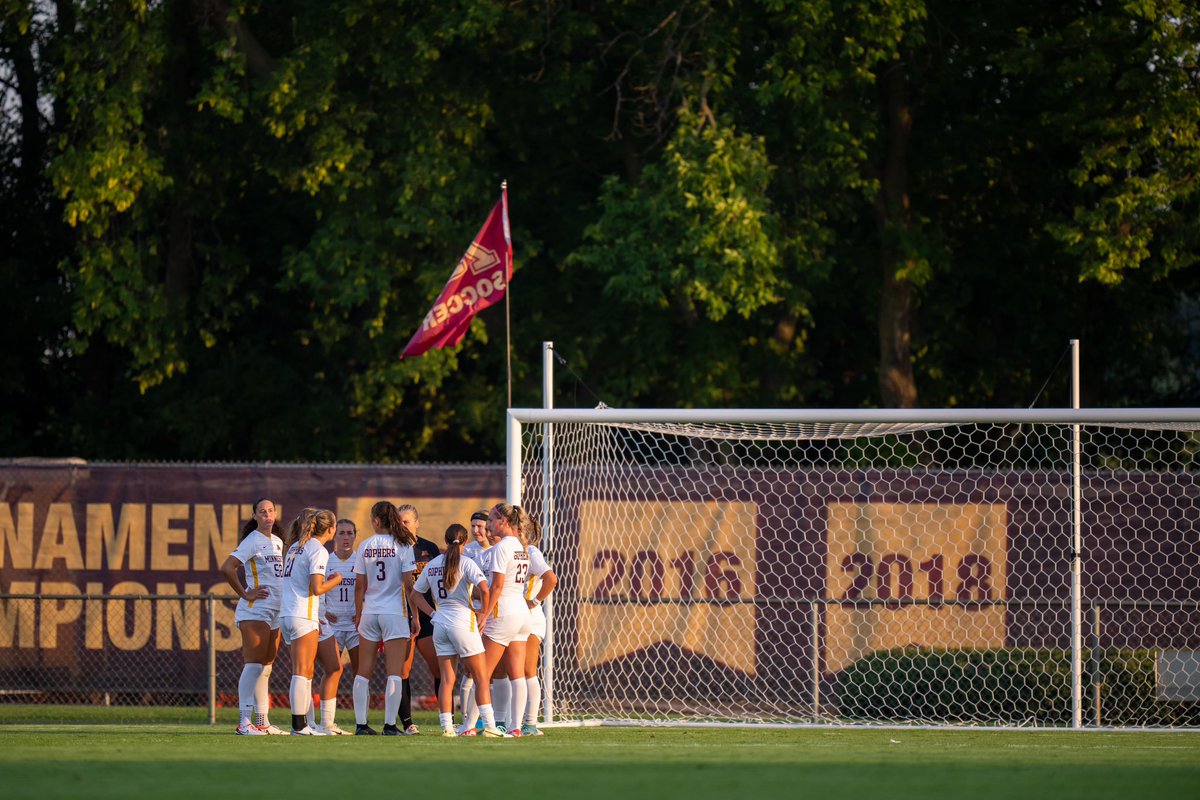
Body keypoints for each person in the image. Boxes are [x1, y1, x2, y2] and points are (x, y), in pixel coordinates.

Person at [410, 523, 494, 737]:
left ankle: (447, 727)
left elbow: (415, 595)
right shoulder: (466, 562)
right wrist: (484, 614)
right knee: (481, 677)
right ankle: (491, 727)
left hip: (440, 624)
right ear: (465, 541)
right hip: (463, 621)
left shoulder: (432, 564)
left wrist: (433, 614)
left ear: (446, 541)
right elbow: (485, 590)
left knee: (447, 679)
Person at [464, 502, 532, 737]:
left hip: (504, 612)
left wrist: (484, 614)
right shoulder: (521, 546)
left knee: (481, 672)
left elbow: (497, 586)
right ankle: (516, 727)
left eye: (492, 520)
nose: (488, 525)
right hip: (521, 612)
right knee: (517, 674)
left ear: (503, 521)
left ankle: (469, 726)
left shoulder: (502, 547)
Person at [219, 498, 286, 735]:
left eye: (270, 511)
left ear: (275, 513)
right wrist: (245, 593)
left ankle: (262, 721)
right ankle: (244, 722)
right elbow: (227, 567)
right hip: (256, 609)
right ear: (255, 516)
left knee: (265, 667)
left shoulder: (277, 541)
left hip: (276, 609)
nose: (267, 515)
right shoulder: (252, 540)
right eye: (262, 512)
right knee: (253, 664)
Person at [351, 500, 417, 735]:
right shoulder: (404, 545)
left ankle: (361, 725)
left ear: (377, 521)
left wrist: (358, 613)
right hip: (394, 612)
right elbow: (409, 585)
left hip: (370, 611)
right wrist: (415, 616)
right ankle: (390, 725)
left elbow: (359, 585)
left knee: (363, 671)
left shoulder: (365, 545)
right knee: (394, 672)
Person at [279, 508, 343, 735]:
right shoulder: (317, 549)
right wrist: (336, 580)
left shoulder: (296, 546)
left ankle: (307, 724)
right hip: (302, 614)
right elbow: (317, 588)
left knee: (304, 672)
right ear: (331, 529)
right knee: (302, 672)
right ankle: (299, 725)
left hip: (288, 613)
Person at [311, 518, 360, 734]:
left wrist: (362, 611)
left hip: (355, 625)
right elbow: (315, 587)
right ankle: (326, 722)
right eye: (341, 533)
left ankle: (362, 722)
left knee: (361, 674)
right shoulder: (327, 559)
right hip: (333, 625)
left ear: (355, 535)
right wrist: (322, 612)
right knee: (332, 671)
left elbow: (368, 589)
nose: (346, 537)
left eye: (350, 533)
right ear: (334, 536)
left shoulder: (361, 561)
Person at [396, 503, 441, 735]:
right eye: (399, 522)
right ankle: (407, 723)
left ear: (416, 523)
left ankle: (448, 719)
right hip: (401, 614)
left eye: (406, 522)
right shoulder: (392, 548)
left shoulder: (429, 548)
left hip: (426, 615)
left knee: (440, 668)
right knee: (402, 671)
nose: (402, 526)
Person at [515, 514, 557, 736]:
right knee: (510, 672)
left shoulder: (531, 552)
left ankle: (530, 723)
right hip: (513, 616)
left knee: (527, 670)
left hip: (530, 617)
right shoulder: (509, 551)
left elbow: (551, 578)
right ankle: (507, 720)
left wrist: (534, 601)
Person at [458, 509, 493, 728]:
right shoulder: (468, 551)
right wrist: (478, 595)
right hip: (470, 614)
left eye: (480, 526)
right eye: (473, 526)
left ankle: (492, 717)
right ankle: (467, 719)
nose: (476, 530)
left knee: (491, 670)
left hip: (493, 615)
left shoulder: (498, 550)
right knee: (470, 669)